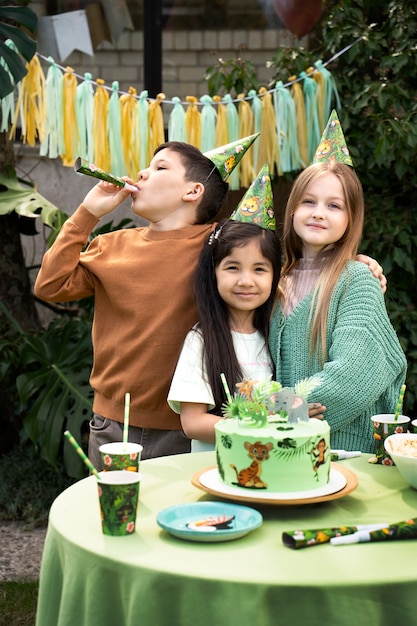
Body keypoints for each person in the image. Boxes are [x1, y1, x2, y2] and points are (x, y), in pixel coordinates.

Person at [34, 135, 259, 470]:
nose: (141, 173)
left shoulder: (220, 247)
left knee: (180, 521)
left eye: (160, 167)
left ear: (193, 191)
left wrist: (357, 261)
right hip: (113, 426)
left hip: (191, 427)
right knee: (116, 519)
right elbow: (51, 286)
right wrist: (87, 213)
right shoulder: (111, 246)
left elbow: (274, 274)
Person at [268, 111, 407, 453]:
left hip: (340, 449)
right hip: (279, 448)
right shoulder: (273, 280)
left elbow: (353, 374)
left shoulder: (357, 280)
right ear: (292, 209)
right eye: (309, 202)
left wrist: (274, 413)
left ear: (351, 218)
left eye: (334, 206)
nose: (318, 212)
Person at [168, 165, 281, 450]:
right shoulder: (203, 339)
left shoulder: (279, 333)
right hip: (214, 473)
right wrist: (263, 427)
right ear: (214, 272)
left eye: (259, 269)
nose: (246, 281)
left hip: (271, 470)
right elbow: (192, 423)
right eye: (232, 267)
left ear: (276, 275)